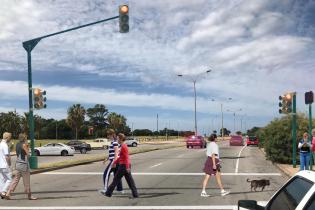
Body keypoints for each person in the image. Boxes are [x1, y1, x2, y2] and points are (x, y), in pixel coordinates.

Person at [105, 133, 138, 198]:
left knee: (116, 179)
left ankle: (108, 193)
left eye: (117, 138)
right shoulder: (123, 146)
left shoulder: (124, 146)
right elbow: (120, 157)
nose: (117, 140)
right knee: (130, 181)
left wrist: (127, 167)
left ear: (121, 139)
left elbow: (126, 157)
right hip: (125, 165)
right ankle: (135, 194)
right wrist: (115, 162)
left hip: (123, 166)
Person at [5, 133, 37, 200]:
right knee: (26, 181)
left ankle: (8, 193)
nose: (26, 138)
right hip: (24, 165)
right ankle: (29, 195)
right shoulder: (24, 145)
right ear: (24, 138)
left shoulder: (17, 144)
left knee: (15, 180)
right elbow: (28, 155)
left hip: (18, 164)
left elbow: (17, 154)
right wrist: (28, 149)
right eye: (26, 137)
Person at [100, 129, 123, 194]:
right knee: (117, 176)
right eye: (107, 135)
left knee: (106, 174)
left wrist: (114, 162)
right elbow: (113, 152)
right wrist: (107, 159)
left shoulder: (115, 142)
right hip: (117, 160)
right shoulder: (115, 142)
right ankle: (120, 189)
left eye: (108, 135)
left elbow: (116, 152)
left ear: (112, 135)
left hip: (114, 160)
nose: (108, 136)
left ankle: (106, 189)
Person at [0, 132, 12, 199]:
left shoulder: (0, 144)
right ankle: (3, 191)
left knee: (2, 179)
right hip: (5, 165)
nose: (11, 138)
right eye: (10, 137)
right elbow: (7, 156)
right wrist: (9, 164)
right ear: (7, 137)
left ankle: (1, 191)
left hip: (0, 165)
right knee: (9, 179)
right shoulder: (4, 145)